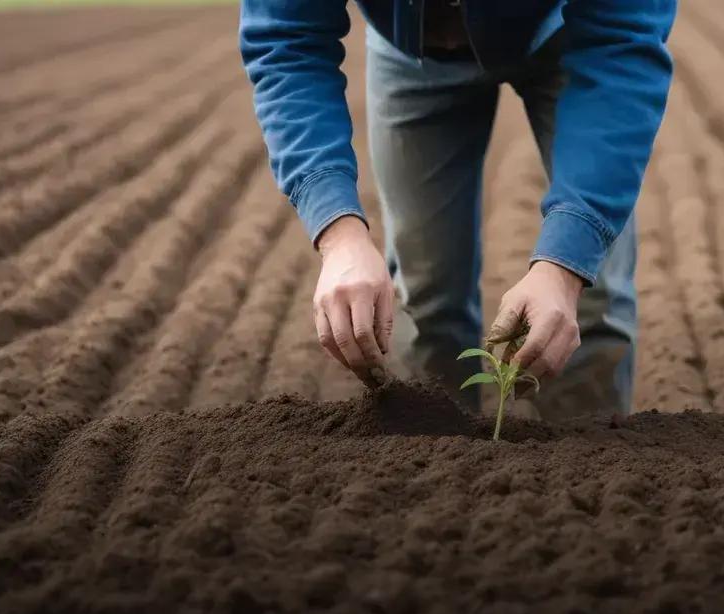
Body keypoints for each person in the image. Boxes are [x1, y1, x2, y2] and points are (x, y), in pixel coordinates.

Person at [241, 0, 675, 418]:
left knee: (588, 299)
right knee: (427, 302)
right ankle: (437, 470)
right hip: (412, 48)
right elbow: (287, 39)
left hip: (568, 27)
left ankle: (586, 475)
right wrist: (339, 236)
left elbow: (624, 41)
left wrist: (566, 268)